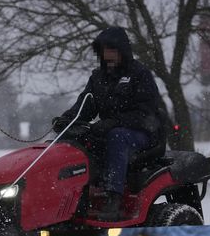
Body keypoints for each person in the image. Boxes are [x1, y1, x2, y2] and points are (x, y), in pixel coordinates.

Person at [53, 27, 166, 221]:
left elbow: (146, 113)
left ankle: (113, 198)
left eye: (112, 50)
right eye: (104, 51)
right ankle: (67, 197)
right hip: (110, 129)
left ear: (123, 51)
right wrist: (67, 120)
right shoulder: (98, 78)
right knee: (73, 140)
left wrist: (114, 122)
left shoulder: (140, 74)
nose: (108, 55)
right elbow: (84, 106)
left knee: (117, 136)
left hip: (143, 134)